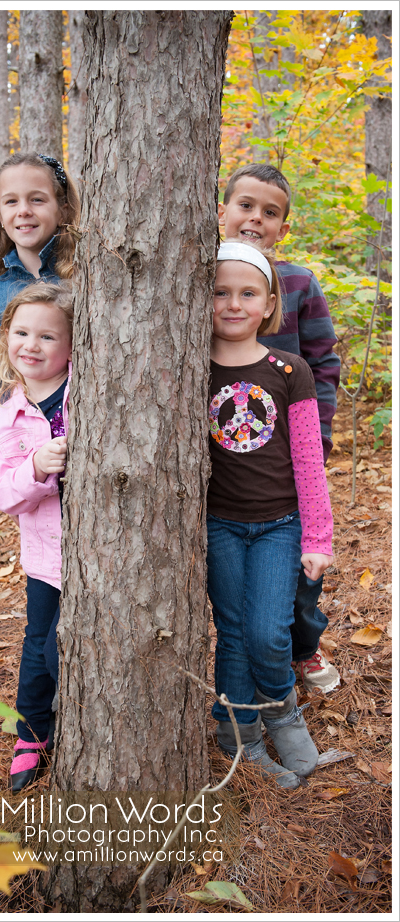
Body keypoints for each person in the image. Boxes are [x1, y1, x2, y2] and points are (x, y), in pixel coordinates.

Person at [208, 241, 333, 789]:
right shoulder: (192, 366)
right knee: (233, 633)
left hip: (281, 525)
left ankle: (285, 722)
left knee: (268, 632)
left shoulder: (290, 370)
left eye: (247, 293)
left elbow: (308, 460)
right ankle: (239, 739)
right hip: (219, 525)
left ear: (269, 303)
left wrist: (318, 537)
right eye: (220, 291)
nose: (233, 303)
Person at [219, 164, 342, 695]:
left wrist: (320, 435)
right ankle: (251, 660)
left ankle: (305, 646)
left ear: (283, 229)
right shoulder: (205, 279)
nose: (255, 218)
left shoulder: (297, 283)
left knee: (297, 574)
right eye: (245, 205)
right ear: (222, 211)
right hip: (229, 442)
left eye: (270, 212)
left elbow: (324, 359)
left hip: (290, 443)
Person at [0, 281, 73, 792]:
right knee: (40, 647)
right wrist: (37, 467)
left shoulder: (91, 388)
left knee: (67, 646)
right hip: (47, 556)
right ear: (5, 338)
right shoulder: (6, 420)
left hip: (104, 551)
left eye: (47, 336)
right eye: (21, 333)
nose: (31, 346)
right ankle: (32, 734)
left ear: (71, 345)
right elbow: (0, 494)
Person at [0, 152, 80, 483]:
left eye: (37, 199)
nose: (24, 211)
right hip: (31, 464)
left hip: (85, 445)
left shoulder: (84, 277)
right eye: (11, 201)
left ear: (62, 207)